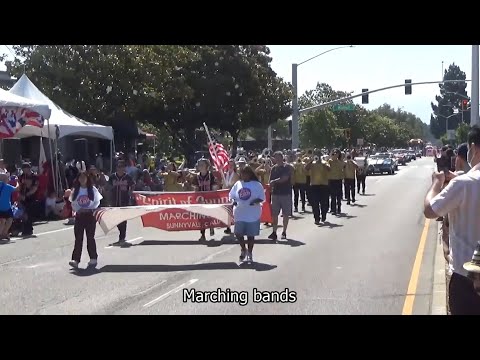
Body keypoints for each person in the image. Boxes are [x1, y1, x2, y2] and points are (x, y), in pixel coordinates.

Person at [423, 125, 480, 315]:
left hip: (468, 281)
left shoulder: (463, 185)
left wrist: (436, 184)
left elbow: (430, 210)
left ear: (474, 148)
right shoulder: (463, 182)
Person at [229, 166, 265, 263]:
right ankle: (243, 249)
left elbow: (262, 197)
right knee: (238, 233)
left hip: (252, 213)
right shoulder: (238, 184)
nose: (244, 175)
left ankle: (250, 252)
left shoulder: (257, 185)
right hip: (239, 213)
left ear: (250, 174)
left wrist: (255, 201)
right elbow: (231, 195)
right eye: (242, 173)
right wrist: (233, 201)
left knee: (250, 235)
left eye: (246, 173)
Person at [68, 171, 103, 269]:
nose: (82, 179)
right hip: (79, 216)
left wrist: (89, 208)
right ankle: (75, 259)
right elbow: (73, 203)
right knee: (78, 238)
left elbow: (97, 202)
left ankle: (93, 257)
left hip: (90, 216)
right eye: (80, 177)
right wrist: (79, 209)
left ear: (87, 179)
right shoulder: (76, 190)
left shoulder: (92, 189)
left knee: (90, 237)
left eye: (84, 177)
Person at [108, 160, 135, 246]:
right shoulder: (112, 177)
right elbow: (108, 186)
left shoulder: (127, 177)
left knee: (123, 220)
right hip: (114, 201)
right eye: (118, 166)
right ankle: (121, 233)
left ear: (124, 168)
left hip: (124, 201)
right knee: (116, 220)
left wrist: (130, 191)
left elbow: (132, 185)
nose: (120, 168)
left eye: (121, 167)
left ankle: (122, 237)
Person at [192, 158, 219, 241]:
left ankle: (211, 226)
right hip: (200, 200)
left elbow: (215, 187)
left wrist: (211, 194)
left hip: (209, 199)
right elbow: (195, 188)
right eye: (199, 165)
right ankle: (203, 234)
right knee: (201, 218)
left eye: (202, 164)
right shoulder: (196, 177)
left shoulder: (211, 176)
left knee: (209, 215)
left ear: (207, 166)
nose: (201, 166)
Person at [268, 151, 293, 241]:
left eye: (279, 157)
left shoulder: (287, 167)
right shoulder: (273, 168)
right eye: (276, 157)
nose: (277, 159)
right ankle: (274, 232)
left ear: (282, 158)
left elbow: (285, 178)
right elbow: (270, 181)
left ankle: (284, 232)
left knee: (285, 214)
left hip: (285, 193)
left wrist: (274, 181)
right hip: (275, 194)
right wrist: (270, 185)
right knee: (274, 214)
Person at [305, 155, 330, 224]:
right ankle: (317, 218)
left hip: (324, 185)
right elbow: (306, 168)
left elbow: (329, 169)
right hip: (314, 185)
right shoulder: (312, 163)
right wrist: (310, 161)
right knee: (315, 203)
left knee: (324, 203)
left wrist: (324, 164)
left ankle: (324, 215)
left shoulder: (325, 162)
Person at [18, 163, 38, 236]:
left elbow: (35, 188)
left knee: (29, 213)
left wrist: (27, 195)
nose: (23, 170)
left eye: (24, 168)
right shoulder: (21, 176)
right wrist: (20, 195)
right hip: (22, 197)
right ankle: (25, 229)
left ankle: (29, 229)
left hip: (31, 197)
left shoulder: (34, 177)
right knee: (23, 214)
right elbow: (19, 186)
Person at [0, 173, 19, 241]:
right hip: (7, 207)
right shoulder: (7, 186)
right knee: (10, 219)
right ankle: (4, 233)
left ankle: (1, 233)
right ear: (5, 179)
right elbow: (17, 189)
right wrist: (17, 182)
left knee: (2, 221)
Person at [224, 159, 240, 235]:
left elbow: (236, 185)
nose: (230, 166)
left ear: (234, 166)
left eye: (232, 165)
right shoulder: (225, 174)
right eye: (229, 165)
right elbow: (223, 184)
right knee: (227, 211)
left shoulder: (236, 175)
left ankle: (237, 227)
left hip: (234, 195)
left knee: (234, 212)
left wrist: (230, 187)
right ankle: (228, 227)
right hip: (226, 195)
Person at [328, 149, 345, 215]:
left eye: (336, 154)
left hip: (338, 180)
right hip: (331, 180)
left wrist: (338, 159)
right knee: (332, 196)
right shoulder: (330, 161)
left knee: (338, 195)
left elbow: (342, 166)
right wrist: (331, 156)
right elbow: (327, 165)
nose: (334, 155)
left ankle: (339, 208)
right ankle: (333, 209)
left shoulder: (340, 162)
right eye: (333, 154)